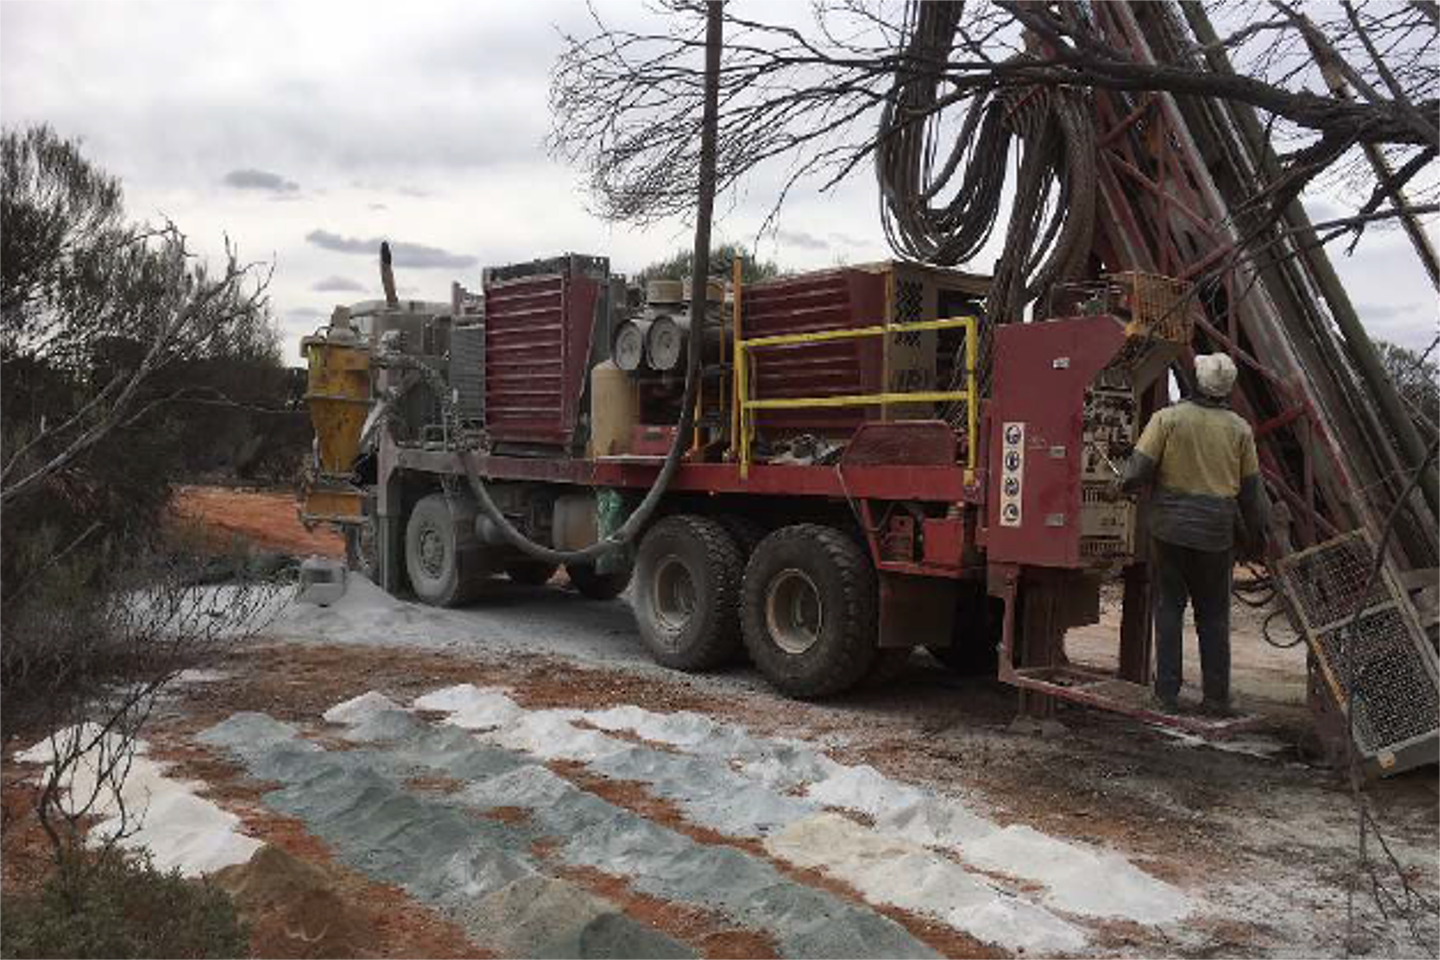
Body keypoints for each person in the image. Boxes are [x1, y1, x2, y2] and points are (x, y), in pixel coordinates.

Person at [1120, 353, 1270, 716]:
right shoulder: (1239, 430)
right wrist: (1255, 539)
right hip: (1216, 536)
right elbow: (1252, 495)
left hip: (1169, 532)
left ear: (1196, 380)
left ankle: (1166, 696)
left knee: (1169, 609)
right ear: (1227, 389)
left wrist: (1120, 484)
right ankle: (1216, 698)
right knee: (1214, 617)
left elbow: (1137, 471)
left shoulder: (1167, 419)